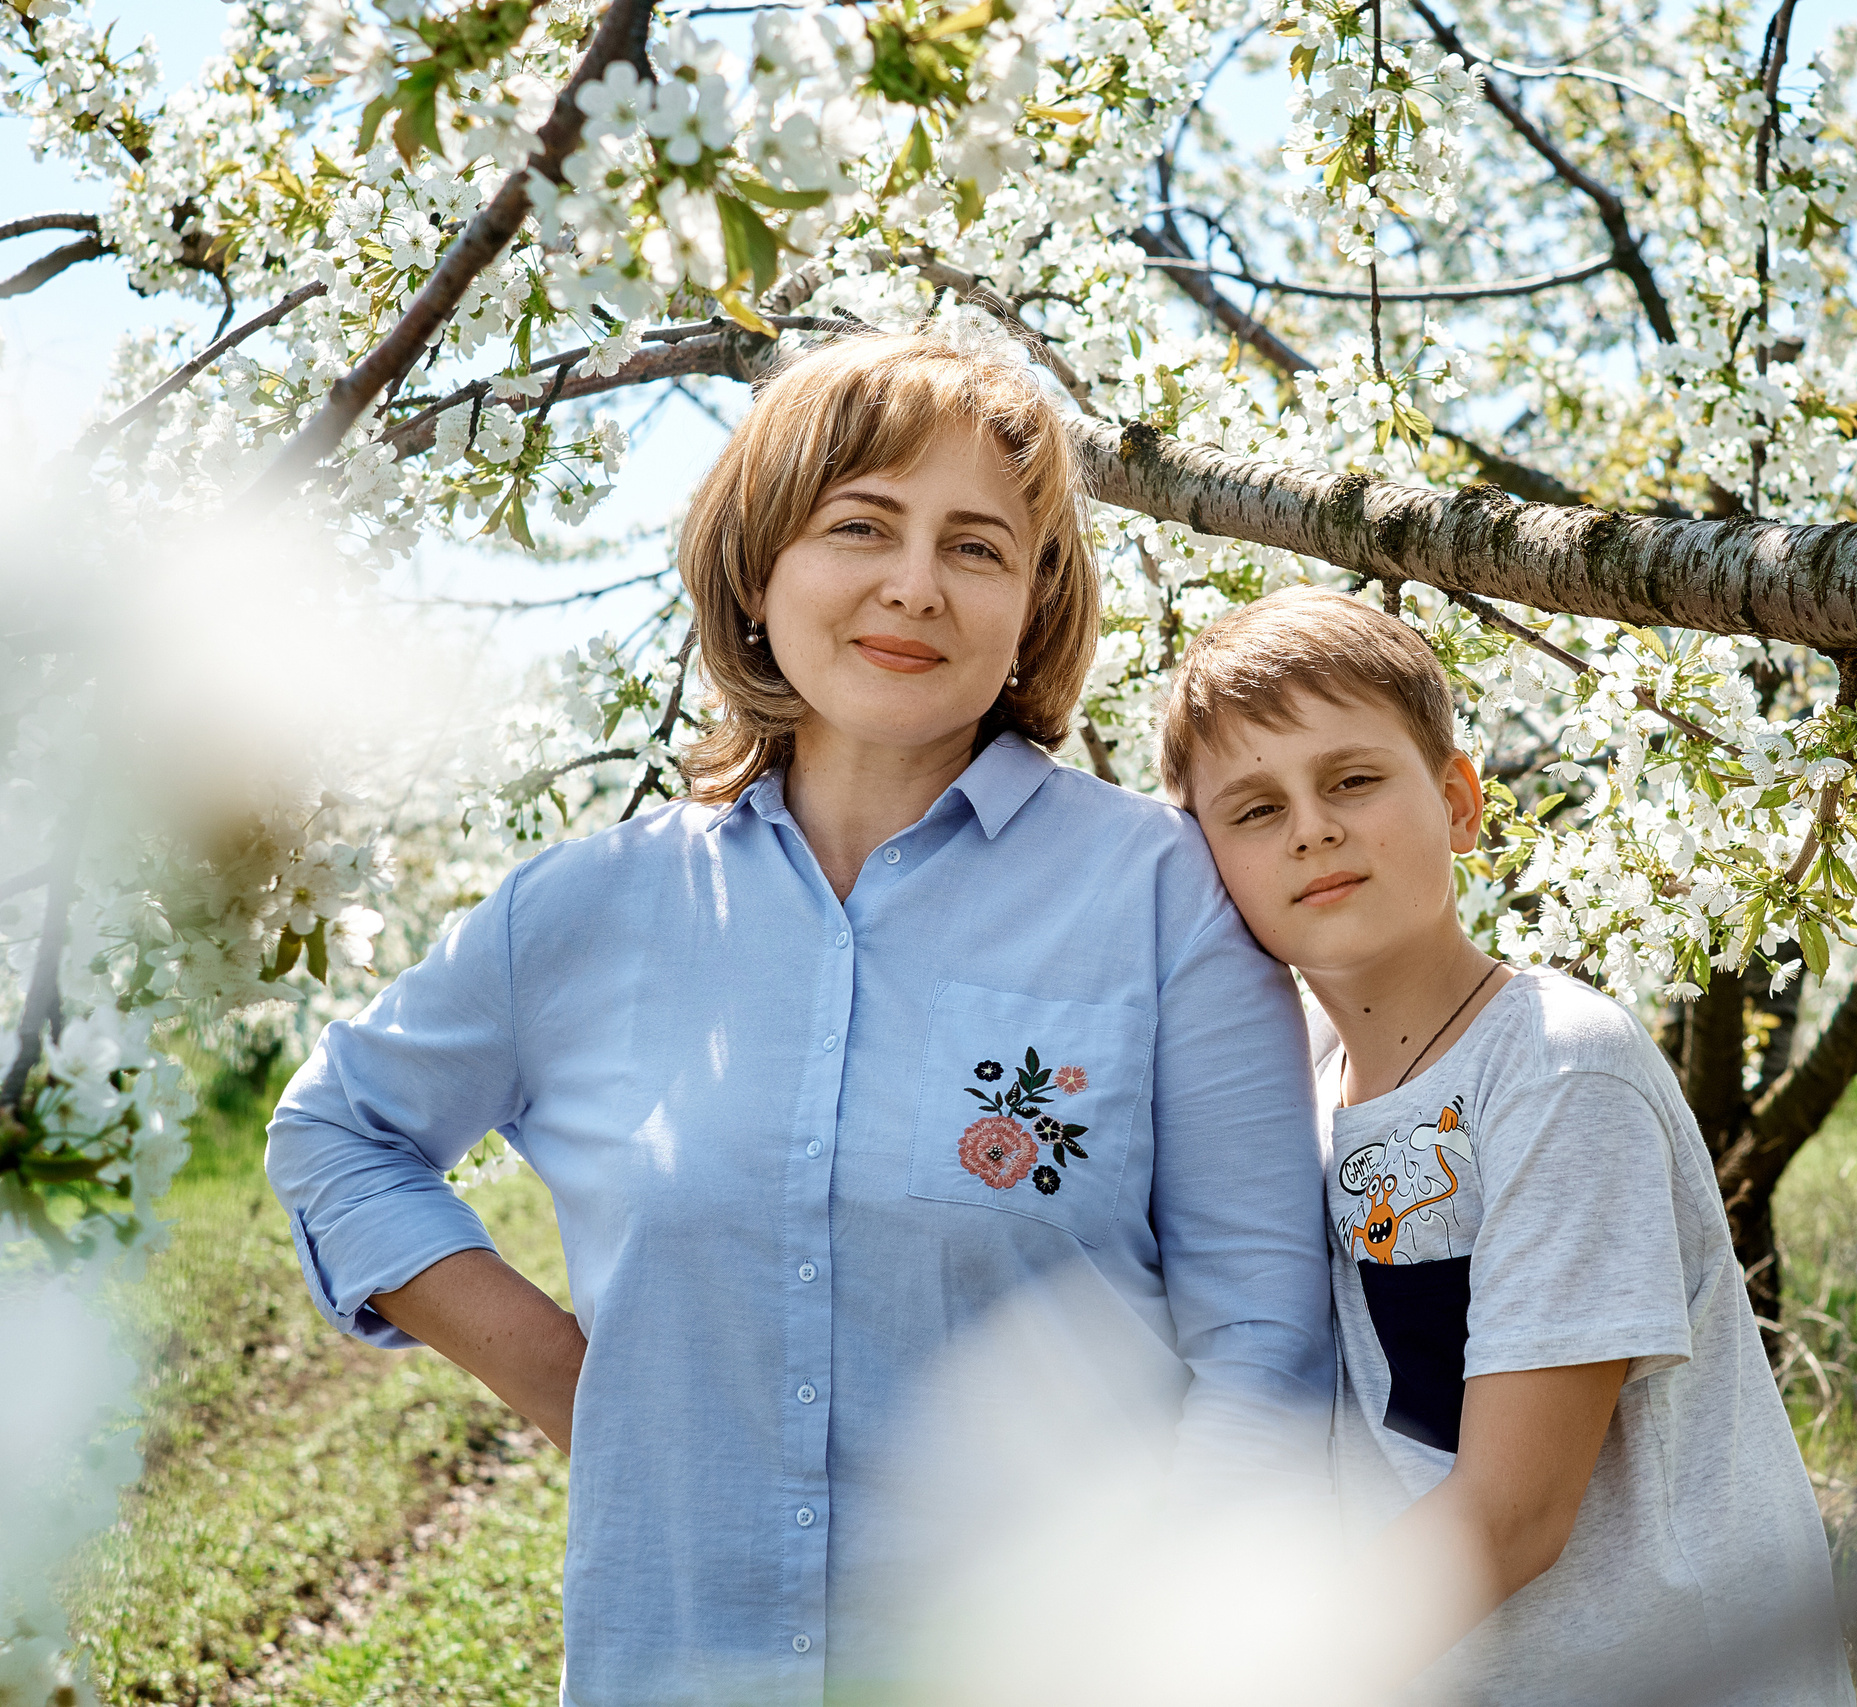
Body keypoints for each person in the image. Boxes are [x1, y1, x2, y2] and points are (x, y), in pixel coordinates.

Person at [265, 332, 1334, 1706]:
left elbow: (1263, 1342)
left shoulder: (1164, 893)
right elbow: (338, 1130)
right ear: (761, 568)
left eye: (977, 546)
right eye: (861, 526)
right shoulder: (590, 905)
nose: (914, 584)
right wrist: (573, 1384)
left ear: (1032, 605)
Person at [1159, 586, 1855, 1707]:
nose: (1311, 829)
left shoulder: (1552, 1068)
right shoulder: (1288, 1097)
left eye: (1351, 780)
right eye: (1252, 810)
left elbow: (1514, 1511)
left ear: (1459, 800)